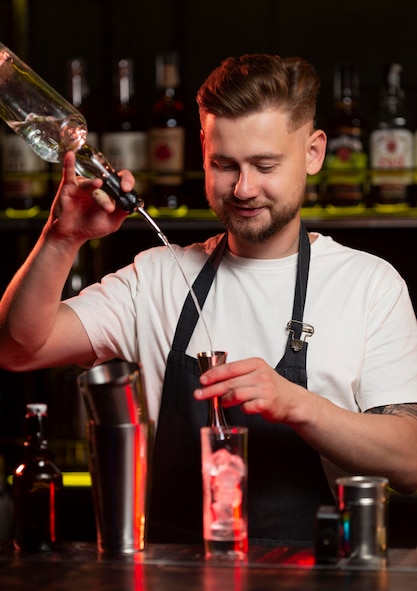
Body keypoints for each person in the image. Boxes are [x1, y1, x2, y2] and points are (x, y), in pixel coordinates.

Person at [1, 53, 417, 546]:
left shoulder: (368, 284)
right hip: (170, 588)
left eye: (265, 165)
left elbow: (410, 462)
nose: (243, 188)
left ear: (313, 152)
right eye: (224, 165)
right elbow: (18, 347)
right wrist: (60, 238)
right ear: (202, 148)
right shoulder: (155, 278)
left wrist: (298, 406)